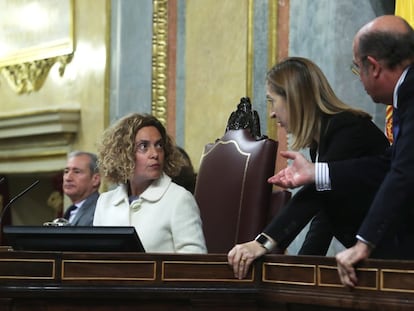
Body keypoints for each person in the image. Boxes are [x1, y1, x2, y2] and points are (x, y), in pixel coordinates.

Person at [268, 15, 414, 288]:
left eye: (357, 68)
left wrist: (364, 243)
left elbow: (402, 171)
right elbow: (386, 165)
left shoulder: (350, 126)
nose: (272, 113)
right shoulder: (406, 95)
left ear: (373, 66)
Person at [227, 57, 389, 279]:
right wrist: (303, 267)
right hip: (377, 256)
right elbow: (326, 211)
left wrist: (262, 243)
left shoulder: (347, 128)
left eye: (272, 101)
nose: (272, 113)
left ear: (294, 99)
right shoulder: (319, 144)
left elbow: (312, 196)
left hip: (398, 251)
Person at [93, 113, 207, 253]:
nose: (154, 154)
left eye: (159, 145)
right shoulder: (105, 202)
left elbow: (194, 260)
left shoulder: (179, 199)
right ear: (124, 153)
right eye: (143, 146)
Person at [62, 151, 101, 226]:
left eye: (77, 172)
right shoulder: (71, 211)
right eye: (66, 172)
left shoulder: (100, 210)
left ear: (95, 179)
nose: (68, 178)